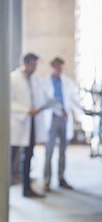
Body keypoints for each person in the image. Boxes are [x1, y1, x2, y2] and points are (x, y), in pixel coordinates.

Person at [10, 53, 47, 198]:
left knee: (29, 155)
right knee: (11, 157)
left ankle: (26, 189)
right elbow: (8, 101)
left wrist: (37, 108)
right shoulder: (13, 78)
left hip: (31, 122)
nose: (35, 68)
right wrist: (26, 110)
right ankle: (4, 190)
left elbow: (38, 98)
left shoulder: (35, 80)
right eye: (33, 64)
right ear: (25, 63)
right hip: (17, 122)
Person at [42, 57, 79, 192]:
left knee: (63, 151)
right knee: (49, 151)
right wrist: (59, 109)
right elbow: (47, 101)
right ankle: (46, 180)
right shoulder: (45, 83)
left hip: (64, 119)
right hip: (52, 119)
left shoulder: (67, 82)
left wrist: (83, 111)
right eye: (57, 68)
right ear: (52, 67)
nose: (59, 70)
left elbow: (73, 99)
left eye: (61, 68)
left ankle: (61, 178)